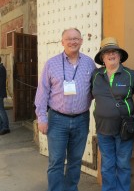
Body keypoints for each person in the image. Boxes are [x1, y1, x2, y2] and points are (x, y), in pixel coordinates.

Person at [34, 28, 96, 191]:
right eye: (68, 39)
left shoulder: (89, 63)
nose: (72, 41)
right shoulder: (51, 63)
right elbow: (42, 92)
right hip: (57, 119)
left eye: (76, 38)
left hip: (82, 119)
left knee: (75, 161)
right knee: (56, 161)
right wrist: (41, 117)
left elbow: (97, 89)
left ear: (81, 41)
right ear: (62, 42)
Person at [91, 37, 134, 191]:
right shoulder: (96, 75)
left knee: (123, 165)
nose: (111, 55)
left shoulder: (130, 74)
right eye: (107, 52)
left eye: (114, 52)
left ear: (119, 55)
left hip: (124, 129)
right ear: (102, 57)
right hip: (103, 129)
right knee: (107, 165)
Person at [0, 56, 10, 135]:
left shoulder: (1, 68)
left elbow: (1, 82)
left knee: (1, 110)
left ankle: (6, 127)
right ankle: (2, 126)